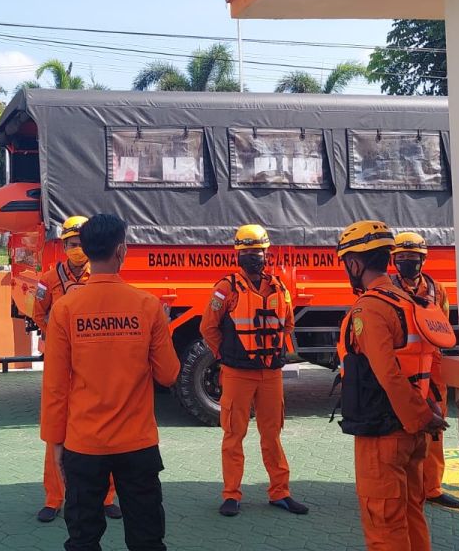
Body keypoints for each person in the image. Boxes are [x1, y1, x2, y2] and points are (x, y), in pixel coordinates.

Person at [41, 213, 181, 551]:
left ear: (85, 251)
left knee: (83, 538)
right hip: (137, 444)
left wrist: (55, 441)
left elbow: (55, 385)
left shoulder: (65, 309)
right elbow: (169, 374)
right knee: (147, 538)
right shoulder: (147, 306)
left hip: (83, 444)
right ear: (121, 251)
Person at [335, 220, 450, 551]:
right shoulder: (410, 300)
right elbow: (424, 362)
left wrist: (418, 416)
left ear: (355, 263)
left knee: (384, 524)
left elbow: (387, 373)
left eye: (346, 263)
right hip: (414, 429)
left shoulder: (371, 308)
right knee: (413, 513)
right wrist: (425, 413)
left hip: (384, 432)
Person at [201, 224, 308, 518]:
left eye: (257, 251)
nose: (253, 257)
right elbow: (207, 327)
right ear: (238, 254)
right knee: (234, 434)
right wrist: (225, 354)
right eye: (247, 252)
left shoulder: (279, 287)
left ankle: (280, 492)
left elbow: (287, 324)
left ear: (266, 253)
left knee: (272, 434)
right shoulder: (226, 289)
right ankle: (231, 495)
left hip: (271, 373)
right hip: (237, 373)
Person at [32, 215, 121, 523]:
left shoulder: (100, 277)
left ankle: (107, 497)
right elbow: (38, 314)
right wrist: (59, 341)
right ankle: (54, 498)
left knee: (104, 427)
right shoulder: (48, 280)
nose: (76, 249)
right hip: (60, 366)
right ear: (63, 246)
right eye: (71, 244)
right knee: (55, 429)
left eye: (80, 244)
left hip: (95, 367)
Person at [390, 232, 459, 510]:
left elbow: (442, 327)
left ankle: (431, 488)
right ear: (394, 260)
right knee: (397, 428)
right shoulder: (387, 290)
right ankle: (399, 487)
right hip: (401, 368)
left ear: (423, 259)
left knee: (435, 427)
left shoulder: (437, 289)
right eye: (403, 257)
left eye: (414, 257)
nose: (408, 262)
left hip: (432, 368)